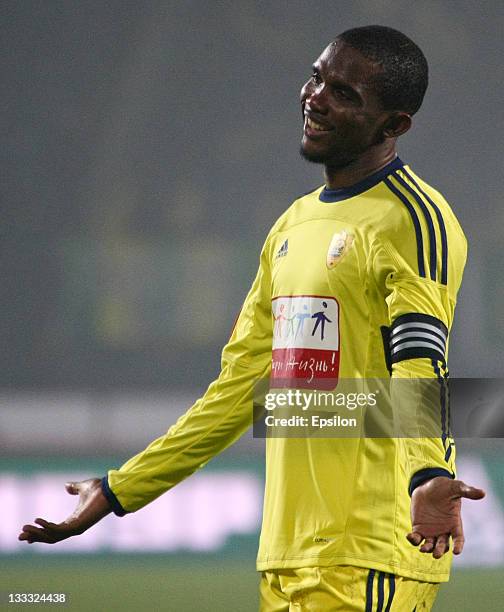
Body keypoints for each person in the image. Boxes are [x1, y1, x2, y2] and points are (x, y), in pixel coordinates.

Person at [19, 25, 485, 611]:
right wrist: (120, 490)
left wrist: (429, 476)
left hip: (372, 550)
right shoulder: (291, 226)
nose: (315, 97)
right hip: (287, 556)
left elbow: (420, 357)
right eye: (317, 77)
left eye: (344, 92)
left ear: (393, 125)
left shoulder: (414, 219)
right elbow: (241, 388)